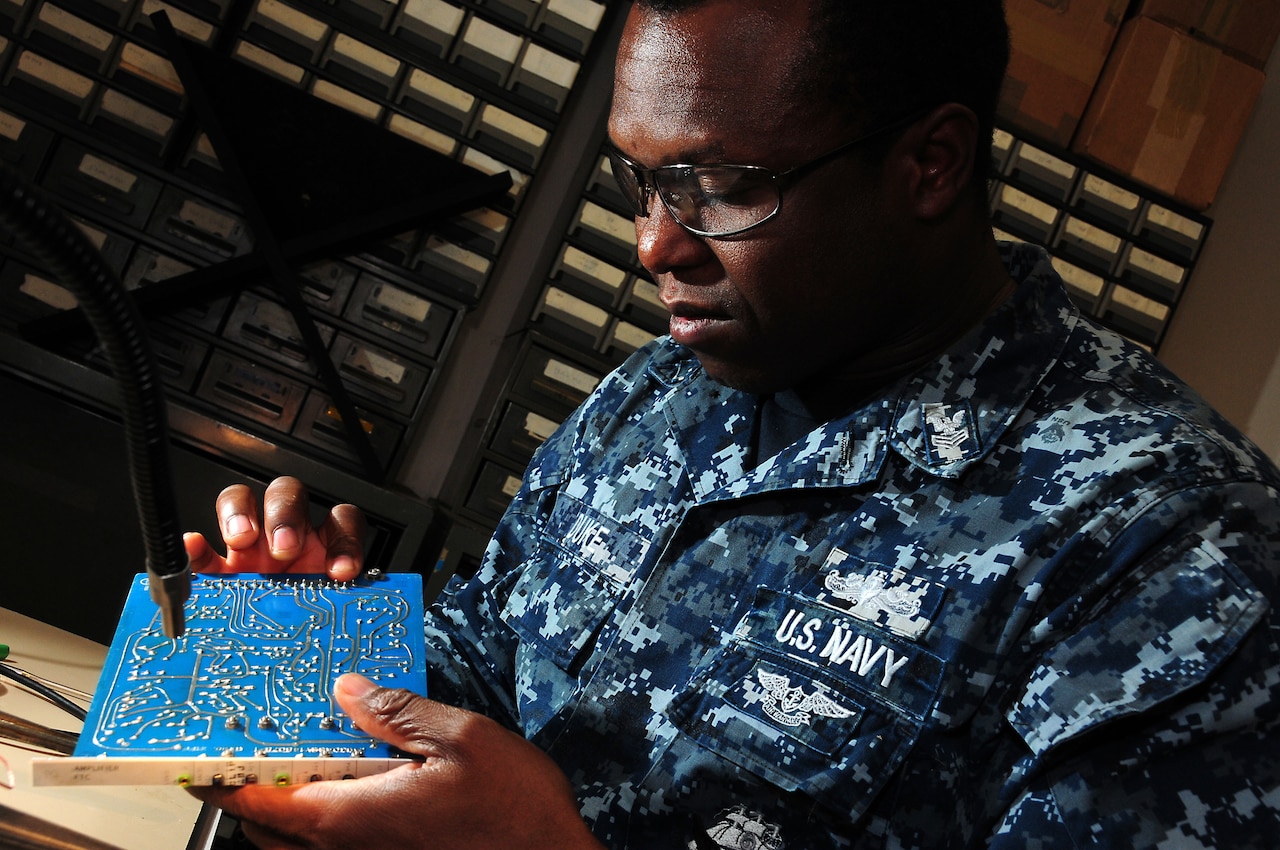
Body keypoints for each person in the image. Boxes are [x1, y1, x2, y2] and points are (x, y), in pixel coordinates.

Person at [183, 0, 1280, 847]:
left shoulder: (1169, 544)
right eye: (640, 179)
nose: (655, 245)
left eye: (718, 184)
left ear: (929, 165)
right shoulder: (663, 392)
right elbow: (500, 644)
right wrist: (325, 654)